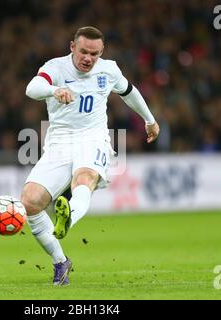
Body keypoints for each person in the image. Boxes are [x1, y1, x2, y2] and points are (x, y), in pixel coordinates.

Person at [21, 26, 160, 286]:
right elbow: (32, 88)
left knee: (84, 178)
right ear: (72, 47)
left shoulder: (108, 70)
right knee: (30, 202)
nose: (88, 58)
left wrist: (150, 120)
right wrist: (54, 91)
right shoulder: (55, 67)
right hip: (59, 142)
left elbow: (129, 91)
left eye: (94, 54)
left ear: (102, 52)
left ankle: (68, 217)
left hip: (93, 138)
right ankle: (60, 262)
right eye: (83, 51)